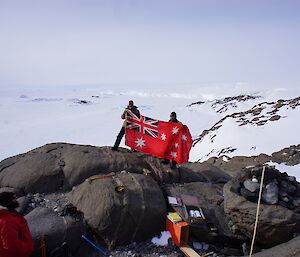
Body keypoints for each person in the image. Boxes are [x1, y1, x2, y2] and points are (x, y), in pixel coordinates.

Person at [0, 191, 34, 257]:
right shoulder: (7, 221)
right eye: (14, 199)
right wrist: (27, 248)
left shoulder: (9, 215)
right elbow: (12, 246)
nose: (16, 200)